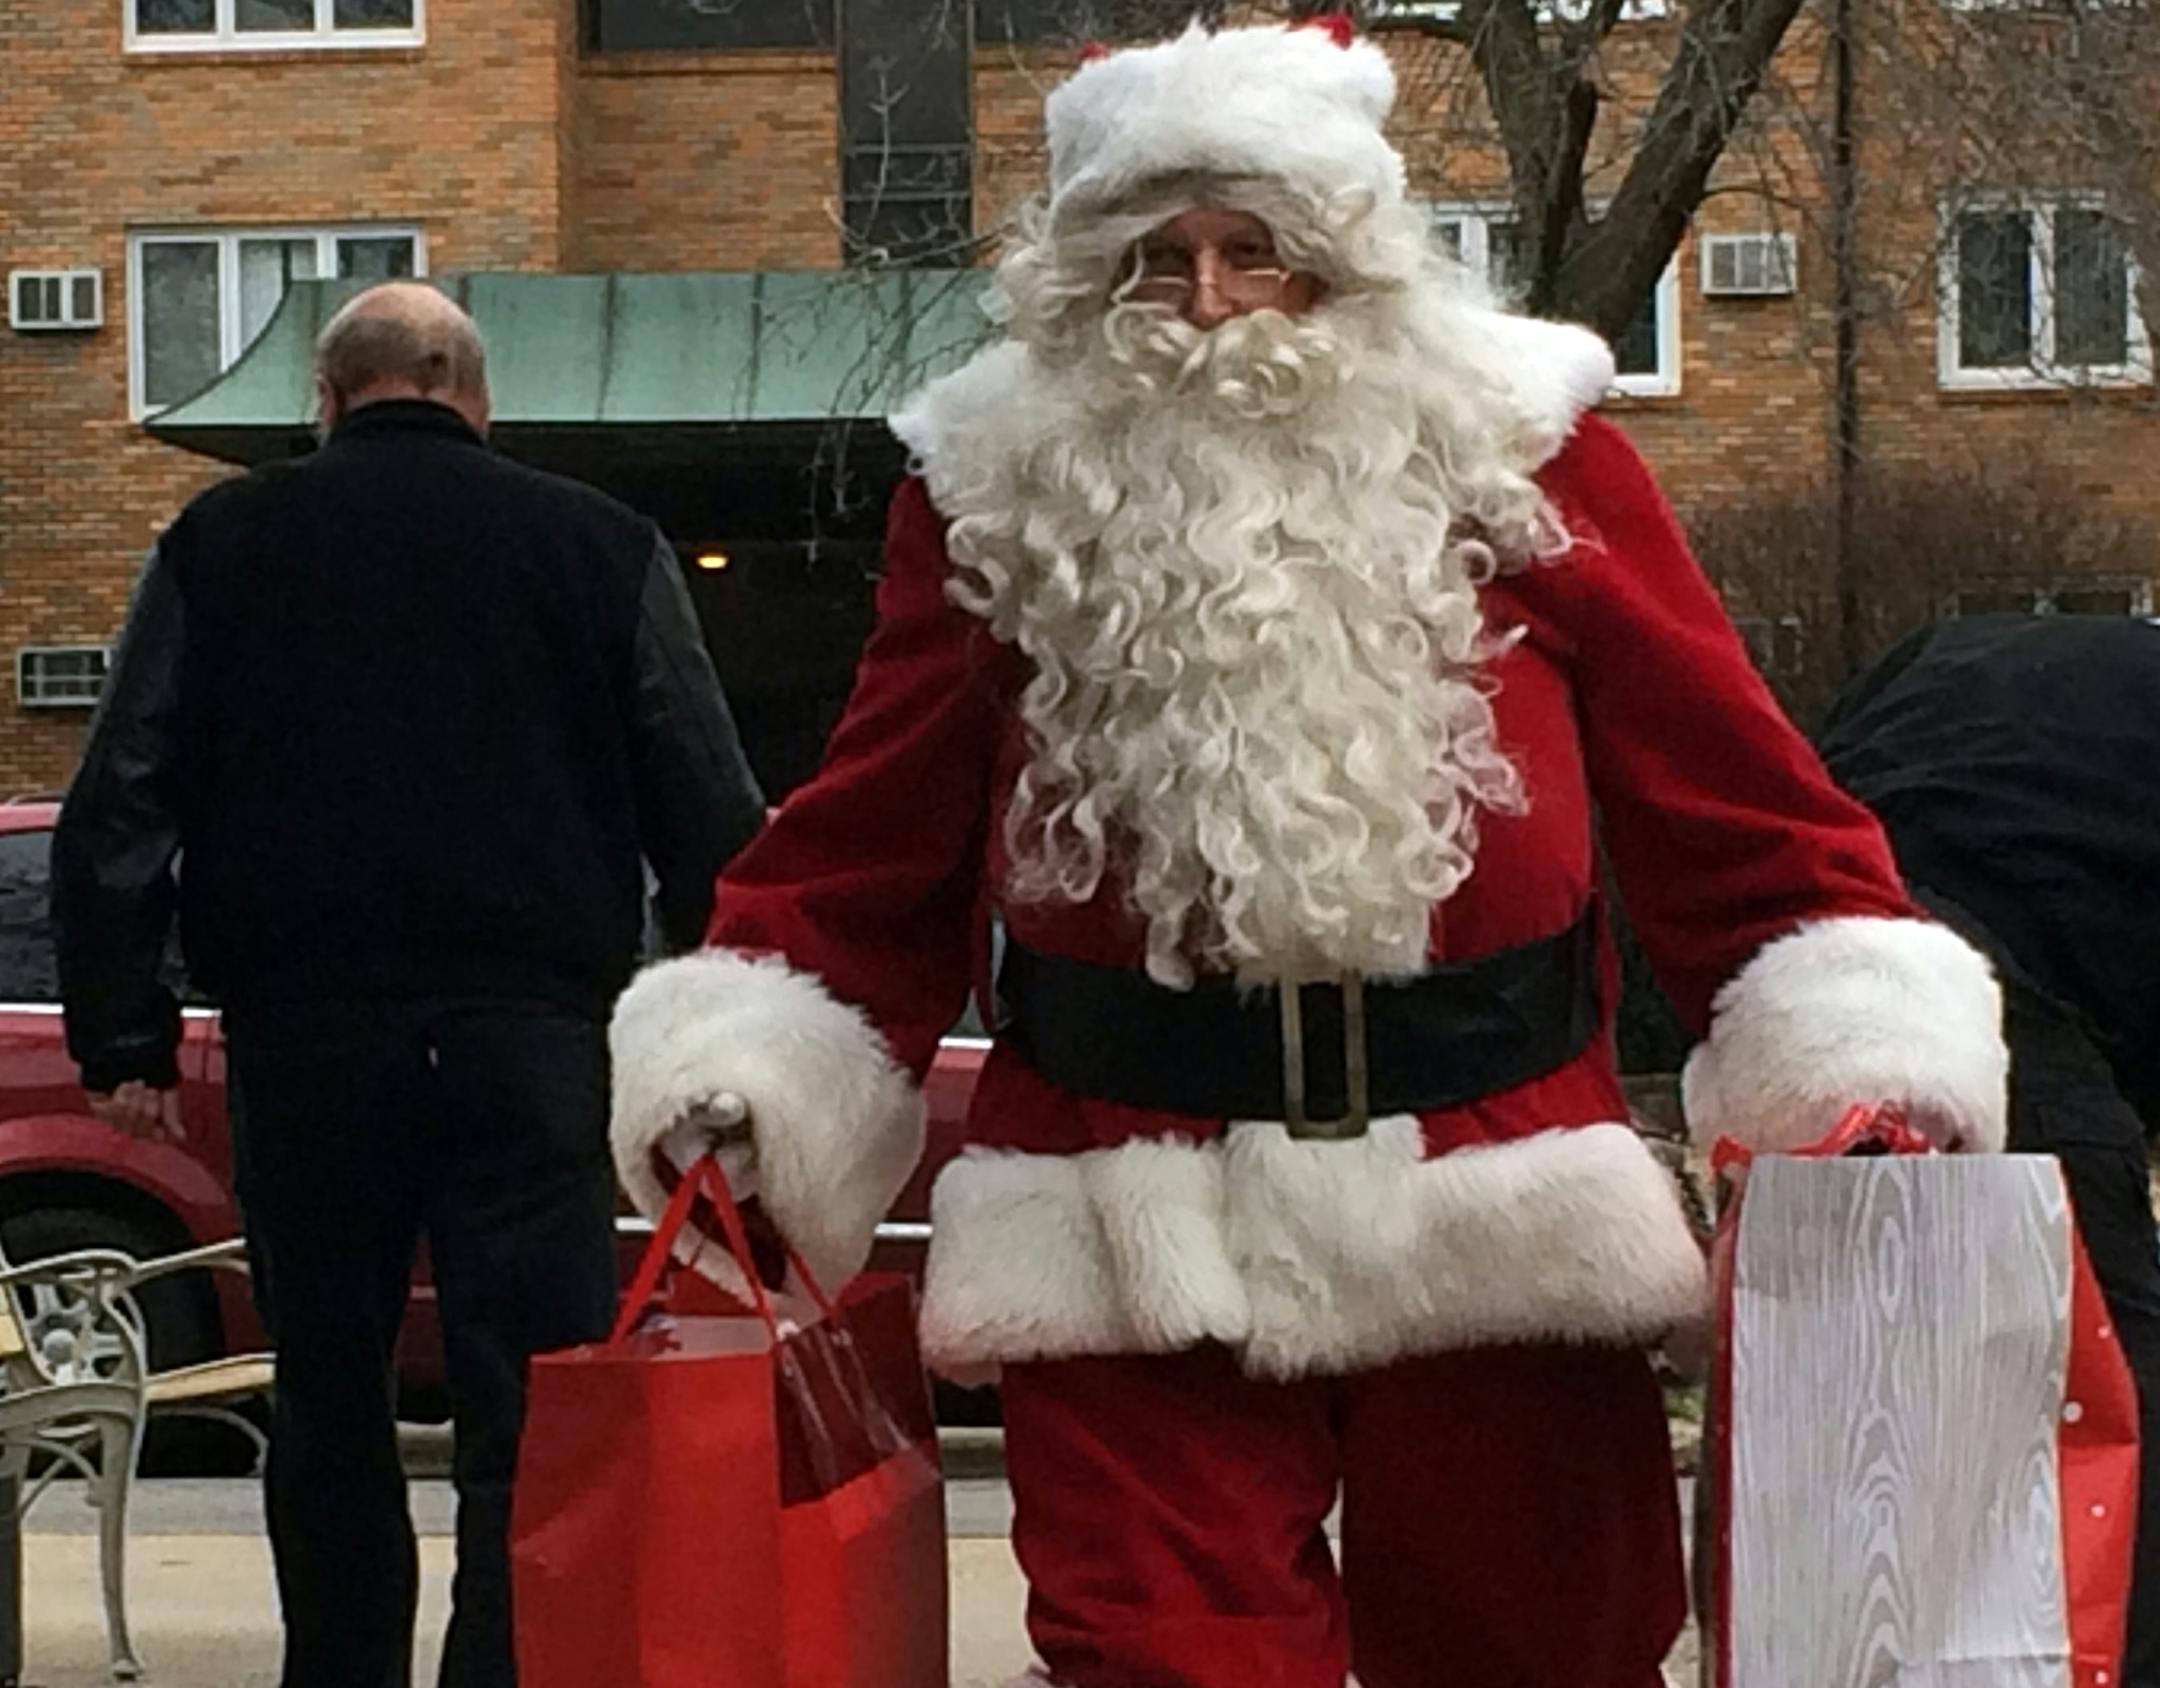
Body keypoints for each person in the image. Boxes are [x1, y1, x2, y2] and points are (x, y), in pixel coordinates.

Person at [609, 21, 2008, 1688]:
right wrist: (751, 1064)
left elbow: (1740, 807)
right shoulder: (992, 495)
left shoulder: (1527, 456)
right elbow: (871, 838)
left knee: (1543, 1649)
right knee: (1160, 1655)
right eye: (1153, 261)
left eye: (1253, 251)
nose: (1205, 303)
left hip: (1497, 1198)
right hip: (1126, 1213)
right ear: (1082, 289)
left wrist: (1862, 1049)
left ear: (1343, 270)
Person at [53, 281, 765, 1688]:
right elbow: (708, 809)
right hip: (535, 1038)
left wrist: (123, 1031)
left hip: (308, 1036)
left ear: (324, 402)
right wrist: (717, 1032)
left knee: (328, 1395)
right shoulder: (601, 545)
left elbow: (121, 798)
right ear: (477, 397)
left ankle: (343, 1667)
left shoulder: (224, 541)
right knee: (528, 1405)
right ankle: (502, 1665)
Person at [1818, 611, 2160, 1688]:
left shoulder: (1974, 650)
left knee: (1850, 1417)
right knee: (2119, 1421)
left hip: (1807, 967)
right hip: (1992, 991)